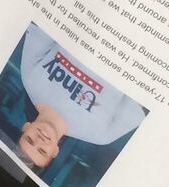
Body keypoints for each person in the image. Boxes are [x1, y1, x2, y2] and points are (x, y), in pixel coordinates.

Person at [12, 24, 146, 168]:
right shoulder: (101, 135)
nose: (39, 141)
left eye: (30, 140)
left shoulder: (30, 78)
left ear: (25, 127)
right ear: (55, 152)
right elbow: (144, 94)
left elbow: (50, 19)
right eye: (42, 151)